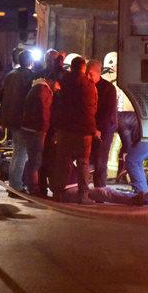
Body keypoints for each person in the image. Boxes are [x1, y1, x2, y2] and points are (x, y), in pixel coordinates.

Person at [52, 56, 97, 204]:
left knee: (63, 161)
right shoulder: (90, 85)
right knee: (83, 162)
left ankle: (57, 193)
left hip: (66, 128)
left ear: (71, 67)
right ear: (84, 68)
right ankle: (83, 195)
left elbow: (58, 103)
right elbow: (94, 106)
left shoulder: (64, 82)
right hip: (84, 130)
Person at [0, 49, 34, 196]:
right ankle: (16, 186)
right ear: (30, 61)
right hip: (22, 120)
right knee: (21, 153)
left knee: (17, 152)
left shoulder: (10, 75)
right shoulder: (29, 76)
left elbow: (1, 96)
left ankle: (14, 184)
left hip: (10, 119)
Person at [21, 77, 58, 196]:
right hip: (36, 130)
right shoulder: (43, 90)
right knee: (35, 160)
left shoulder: (37, 88)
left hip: (30, 127)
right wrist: (45, 129)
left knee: (33, 159)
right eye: (58, 85)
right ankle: (33, 188)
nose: (58, 88)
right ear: (51, 81)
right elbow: (44, 112)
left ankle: (29, 184)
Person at [86, 59, 118, 188]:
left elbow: (107, 112)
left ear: (98, 73)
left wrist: (97, 129)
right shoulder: (87, 86)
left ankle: (100, 191)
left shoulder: (108, 88)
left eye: (91, 74)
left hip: (104, 129)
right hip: (91, 127)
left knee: (100, 161)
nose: (88, 77)